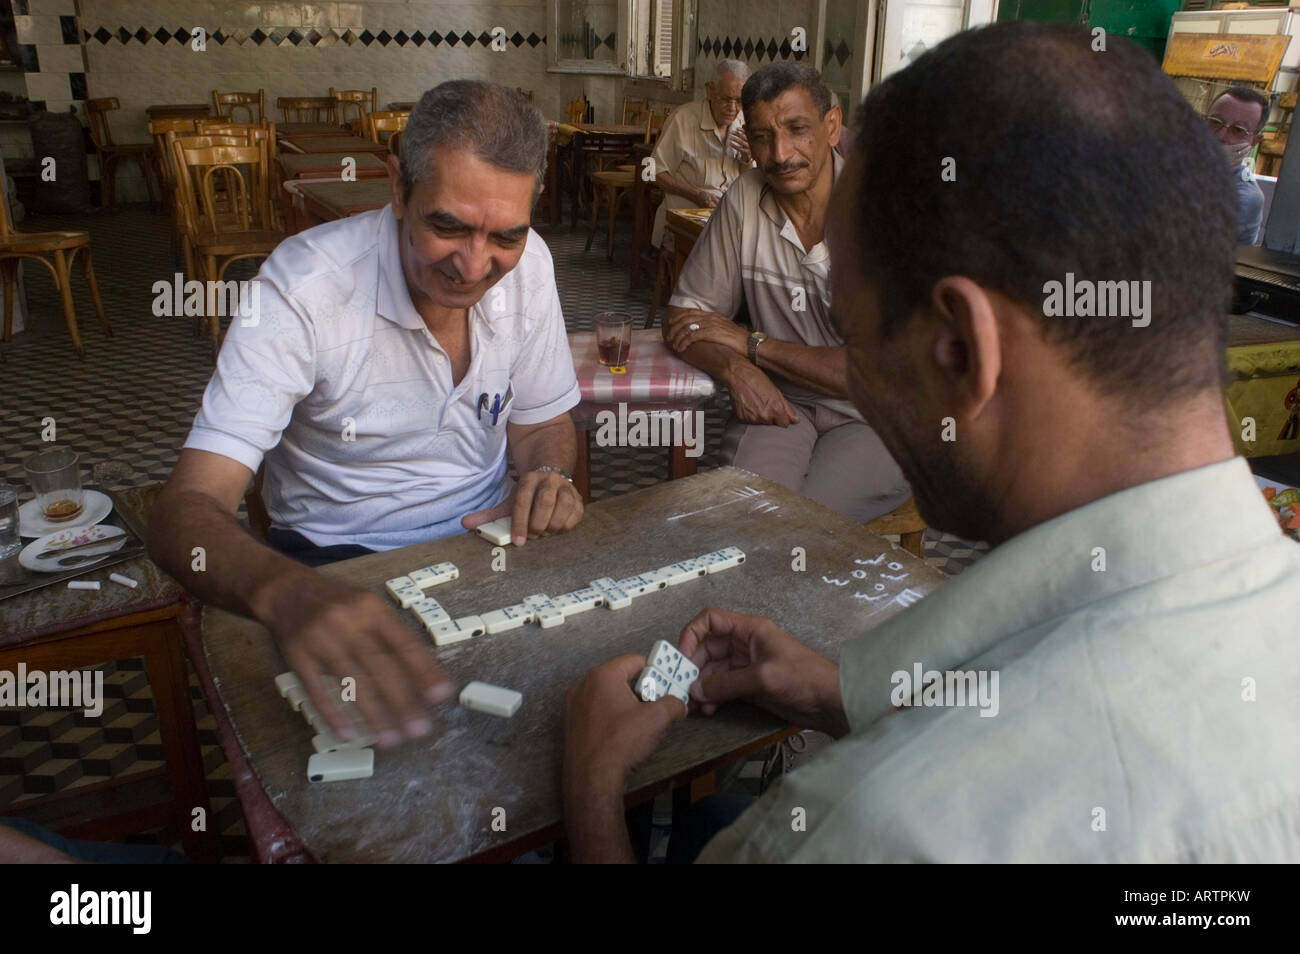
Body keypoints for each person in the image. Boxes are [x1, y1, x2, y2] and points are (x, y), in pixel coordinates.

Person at [563, 22, 1300, 862]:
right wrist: (842, 691)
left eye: (862, 339)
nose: (853, 375)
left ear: (961, 352)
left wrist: (591, 785)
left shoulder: (883, 826)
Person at [149, 81, 584, 745]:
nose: (473, 265)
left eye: (505, 235)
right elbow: (183, 514)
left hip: (491, 543)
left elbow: (544, 425)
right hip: (335, 565)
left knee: (582, 714)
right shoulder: (304, 290)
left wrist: (547, 477)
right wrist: (284, 591)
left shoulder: (530, 269)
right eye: (447, 226)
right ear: (397, 190)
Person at [661, 63, 910, 523]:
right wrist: (736, 369)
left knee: (793, 523)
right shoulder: (745, 197)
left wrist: (749, 344)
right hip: (785, 404)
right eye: (761, 136)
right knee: (745, 509)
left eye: (797, 130)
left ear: (831, 126)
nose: (780, 154)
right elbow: (684, 318)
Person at [650, 59, 752, 248]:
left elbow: (751, 183)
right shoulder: (683, 119)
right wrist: (696, 194)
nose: (732, 108)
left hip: (726, 219)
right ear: (710, 90)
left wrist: (747, 159)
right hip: (683, 222)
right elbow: (654, 172)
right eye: (725, 99)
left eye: (739, 101)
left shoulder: (744, 124)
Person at [1206, 86, 1270, 245]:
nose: (1221, 136)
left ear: (1254, 141)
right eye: (1215, 122)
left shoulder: (1246, 197)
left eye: (1237, 130)